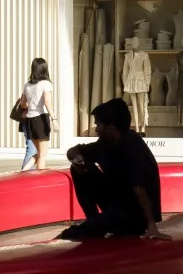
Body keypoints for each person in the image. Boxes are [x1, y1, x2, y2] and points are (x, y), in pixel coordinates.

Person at [63, 99, 165, 239]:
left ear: (110, 127)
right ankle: (92, 217)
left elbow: (139, 188)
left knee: (75, 233)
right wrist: (77, 159)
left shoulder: (133, 147)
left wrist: (151, 225)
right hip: (116, 201)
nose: (96, 129)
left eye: (98, 125)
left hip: (133, 214)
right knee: (77, 166)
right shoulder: (105, 143)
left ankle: (96, 224)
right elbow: (75, 151)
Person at [19, 58, 55, 170]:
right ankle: (40, 177)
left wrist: (31, 105)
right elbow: (47, 102)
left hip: (29, 120)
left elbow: (23, 104)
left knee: (39, 153)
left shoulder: (27, 85)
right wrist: (54, 119)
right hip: (40, 118)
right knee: (42, 155)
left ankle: (24, 171)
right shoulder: (46, 84)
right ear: (44, 68)